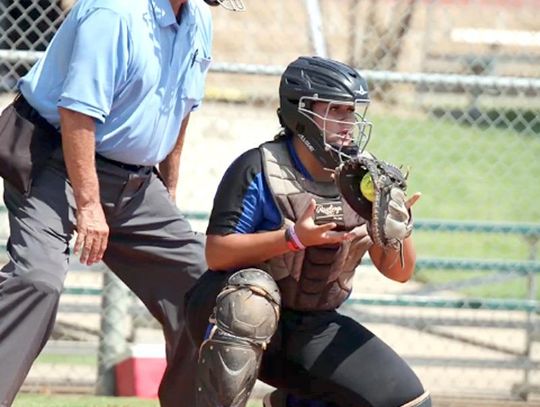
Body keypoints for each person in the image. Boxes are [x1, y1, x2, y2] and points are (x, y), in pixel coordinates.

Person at [0, 0, 245, 406]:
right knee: (36, 281)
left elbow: (179, 108)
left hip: (134, 180)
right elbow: (76, 112)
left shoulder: (197, 18)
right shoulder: (115, 11)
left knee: (209, 289)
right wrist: (89, 204)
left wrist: (169, 186)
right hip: (54, 158)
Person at [185, 56, 431, 407]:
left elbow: (400, 273)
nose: (348, 123)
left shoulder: (366, 179)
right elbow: (217, 253)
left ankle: (291, 403)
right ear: (301, 112)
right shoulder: (258, 167)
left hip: (309, 324)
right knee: (251, 298)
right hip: (228, 312)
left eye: (352, 111)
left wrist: (396, 233)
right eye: (335, 110)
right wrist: (292, 239)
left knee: (409, 401)